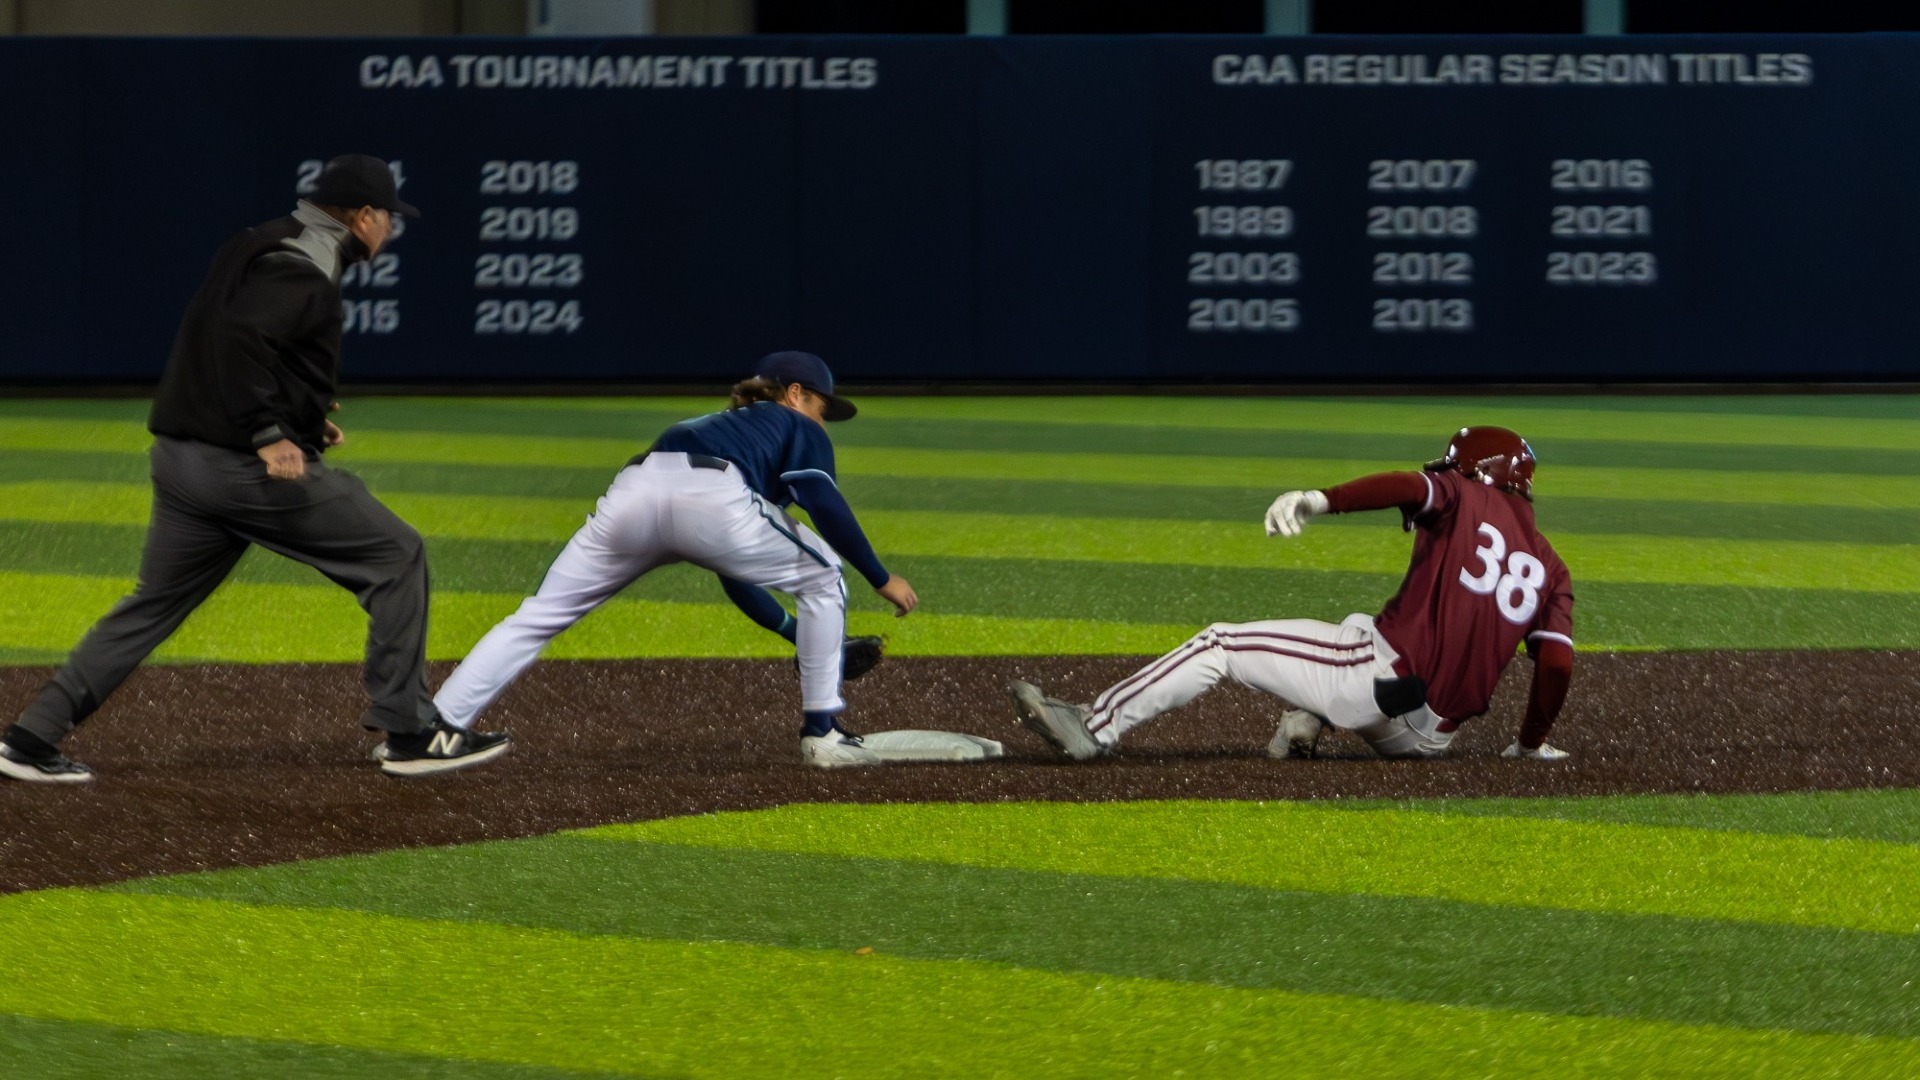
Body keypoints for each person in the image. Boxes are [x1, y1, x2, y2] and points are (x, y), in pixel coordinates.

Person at [0, 154, 510, 784]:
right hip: (239, 469)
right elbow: (241, 340)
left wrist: (304, 414)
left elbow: (231, 339)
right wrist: (269, 432)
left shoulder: (261, 239)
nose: (391, 230)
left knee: (152, 604)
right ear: (363, 216)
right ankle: (410, 732)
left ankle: (29, 738)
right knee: (397, 553)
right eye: (388, 218)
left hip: (182, 459)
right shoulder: (307, 264)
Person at [428, 350, 917, 768]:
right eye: (821, 406)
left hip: (632, 492)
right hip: (711, 493)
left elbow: (732, 568)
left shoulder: (718, 428)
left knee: (537, 616)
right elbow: (822, 501)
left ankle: (434, 728)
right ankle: (823, 733)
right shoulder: (792, 424)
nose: (822, 419)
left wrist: (795, 633)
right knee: (826, 574)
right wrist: (879, 577)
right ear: (794, 394)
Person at [1008, 426, 1574, 762]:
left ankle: (1094, 726)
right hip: (1430, 738)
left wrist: (1322, 498)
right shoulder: (1551, 566)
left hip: (1378, 682)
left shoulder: (1462, 493)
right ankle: (1308, 720)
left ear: (1476, 473)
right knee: (1357, 626)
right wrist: (1529, 745)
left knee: (1220, 644)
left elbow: (1406, 485)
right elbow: (1555, 664)